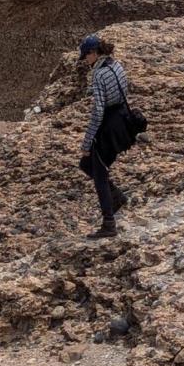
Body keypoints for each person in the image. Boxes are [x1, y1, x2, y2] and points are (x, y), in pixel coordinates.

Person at [78, 35, 131, 239]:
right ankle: (116, 196)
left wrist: (88, 141)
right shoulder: (116, 65)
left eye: (86, 56)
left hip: (108, 125)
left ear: (94, 53)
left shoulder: (98, 75)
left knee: (99, 174)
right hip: (122, 120)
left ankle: (109, 223)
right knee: (85, 165)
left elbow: (98, 111)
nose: (85, 60)